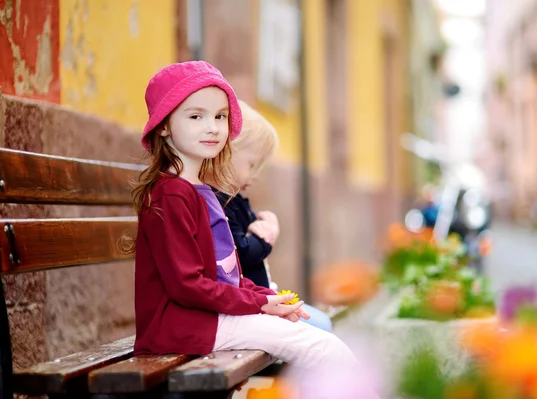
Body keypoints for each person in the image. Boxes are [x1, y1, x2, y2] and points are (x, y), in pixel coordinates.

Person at [127, 61, 375, 398]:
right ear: (165, 126)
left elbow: (224, 276)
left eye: (220, 116)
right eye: (195, 116)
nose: (212, 127)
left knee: (314, 339)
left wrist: (268, 297)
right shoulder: (172, 194)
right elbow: (187, 286)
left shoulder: (199, 190)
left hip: (206, 316)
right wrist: (258, 306)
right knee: (321, 349)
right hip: (183, 324)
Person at [213, 100, 333, 332]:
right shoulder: (221, 204)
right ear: (226, 154)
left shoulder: (235, 201)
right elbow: (241, 254)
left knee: (322, 322)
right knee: (320, 326)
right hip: (247, 308)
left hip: (259, 299)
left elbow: (248, 229)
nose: (256, 175)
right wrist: (266, 238)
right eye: (252, 164)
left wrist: (263, 225)